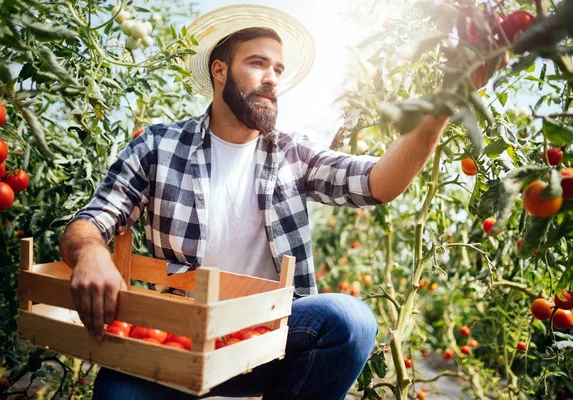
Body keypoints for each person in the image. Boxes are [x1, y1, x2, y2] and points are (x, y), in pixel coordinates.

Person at [59, 4, 455, 400]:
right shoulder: (159, 146)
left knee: (350, 321)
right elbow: (94, 219)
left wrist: (443, 104)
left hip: (266, 340)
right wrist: (91, 254)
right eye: (258, 63)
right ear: (220, 70)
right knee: (116, 394)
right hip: (180, 341)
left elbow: (377, 182)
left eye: (278, 70)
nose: (272, 79)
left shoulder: (293, 154)